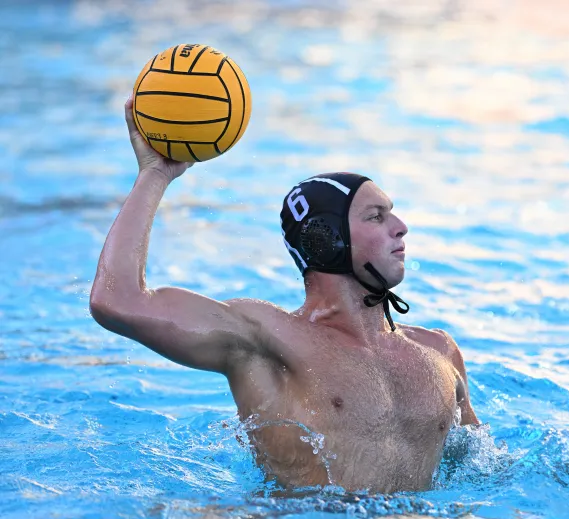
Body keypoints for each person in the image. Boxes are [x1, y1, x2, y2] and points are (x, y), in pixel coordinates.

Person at [89, 97, 479, 494]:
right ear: (326, 239)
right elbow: (118, 300)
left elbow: (484, 472)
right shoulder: (266, 340)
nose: (401, 227)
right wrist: (155, 174)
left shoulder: (438, 352)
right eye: (376, 217)